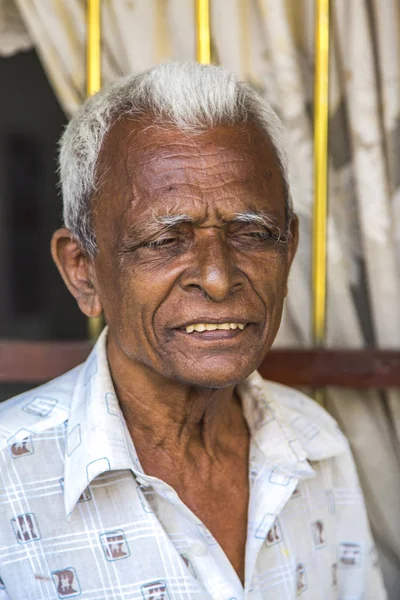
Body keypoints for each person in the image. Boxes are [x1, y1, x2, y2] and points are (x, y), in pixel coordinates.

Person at [0, 62, 386, 600]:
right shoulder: (9, 476)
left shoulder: (315, 444)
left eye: (252, 233)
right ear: (82, 270)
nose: (218, 276)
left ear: (289, 249)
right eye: (164, 241)